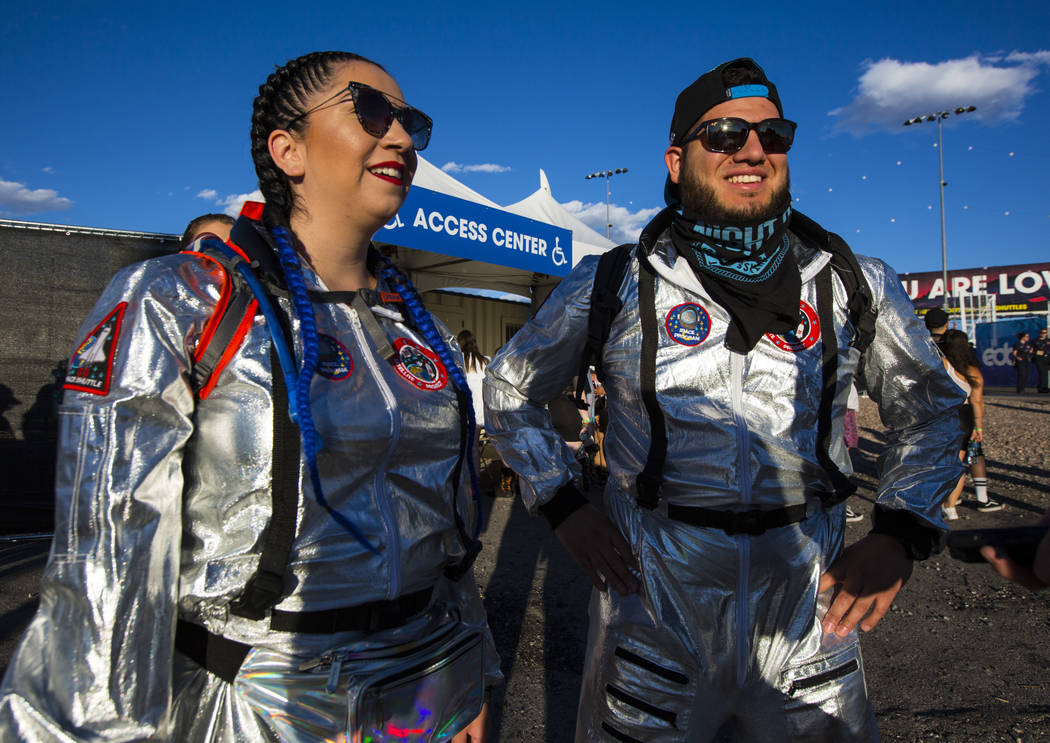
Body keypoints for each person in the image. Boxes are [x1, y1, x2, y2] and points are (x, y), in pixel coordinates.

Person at [0, 51, 497, 742]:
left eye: (412, 121)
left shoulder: (418, 328)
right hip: (252, 704)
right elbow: (108, 560)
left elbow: (441, 524)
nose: (403, 138)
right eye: (372, 112)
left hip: (417, 702)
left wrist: (464, 675)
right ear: (287, 149)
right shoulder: (182, 300)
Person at [484, 57, 965, 741]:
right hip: (655, 617)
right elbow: (508, 386)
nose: (752, 150)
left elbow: (936, 404)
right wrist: (563, 506)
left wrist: (900, 531)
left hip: (806, 617)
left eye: (774, 136)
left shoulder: (854, 281)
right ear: (677, 161)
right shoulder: (616, 282)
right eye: (725, 135)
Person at [937, 329, 1001, 519]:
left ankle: (948, 505)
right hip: (967, 417)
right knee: (963, 461)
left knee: (950, 463)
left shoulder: (942, 365)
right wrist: (978, 427)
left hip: (947, 415)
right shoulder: (973, 371)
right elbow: (977, 402)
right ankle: (953, 505)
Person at [1032, 327, 1049, 393]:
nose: (1044, 334)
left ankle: (1045, 387)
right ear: (1040, 333)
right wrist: (1039, 353)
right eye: (1042, 333)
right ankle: (1041, 387)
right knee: (1041, 373)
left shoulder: (1048, 341)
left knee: (1045, 373)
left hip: (1047, 359)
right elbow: (1031, 350)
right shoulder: (1035, 341)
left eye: (1045, 333)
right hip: (1039, 359)